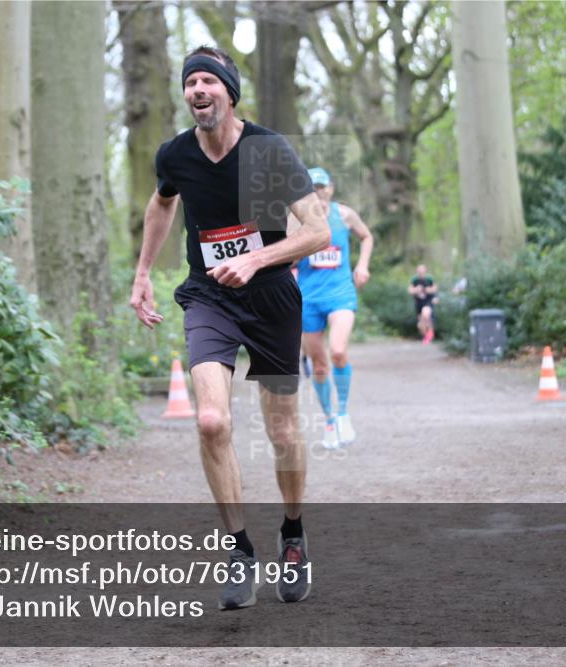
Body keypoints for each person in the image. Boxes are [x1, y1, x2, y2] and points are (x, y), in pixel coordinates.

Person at [129, 46, 330, 611]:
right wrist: (143, 272)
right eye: (190, 81)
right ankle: (240, 549)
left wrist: (256, 260)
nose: (197, 89)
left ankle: (292, 534)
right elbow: (161, 204)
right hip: (210, 296)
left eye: (208, 81)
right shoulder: (175, 155)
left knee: (284, 432)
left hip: (270, 298)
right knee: (212, 419)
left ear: (229, 92)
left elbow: (317, 232)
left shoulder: (267, 150)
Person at [292, 167, 373, 449]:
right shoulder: (295, 219)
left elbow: (367, 237)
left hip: (340, 293)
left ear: (331, 188)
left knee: (338, 351)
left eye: (322, 186)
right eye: (312, 187)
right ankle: (329, 419)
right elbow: (286, 257)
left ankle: (343, 414)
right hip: (308, 299)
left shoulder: (345, 215)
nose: (318, 191)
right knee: (320, 365)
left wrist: (362, 265)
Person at [409, 264, 439, 344]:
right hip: (419, 303)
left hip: (428, 301)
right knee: (420, 324)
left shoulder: (429, 279)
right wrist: (416, 290)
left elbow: (435, 289)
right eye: (419, 271)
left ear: (425, 271)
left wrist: (431, 292)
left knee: (425, 314)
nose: (420, 273)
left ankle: (429, 334)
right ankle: (427, 336)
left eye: (422, 271)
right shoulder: (414, 280)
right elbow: (410, 291)